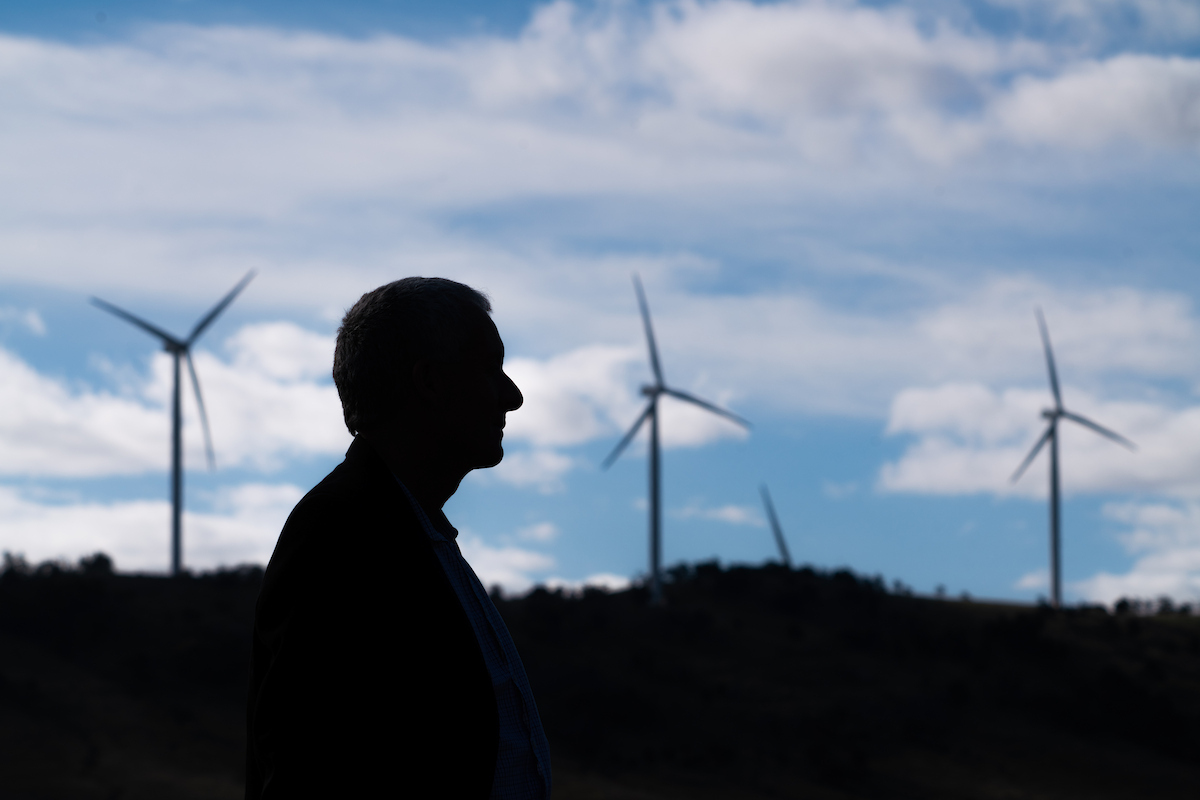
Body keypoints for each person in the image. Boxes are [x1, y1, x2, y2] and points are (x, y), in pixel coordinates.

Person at [245, 278, 551, 799]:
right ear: (429, 382)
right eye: (489, 368)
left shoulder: (410, 533)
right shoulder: (339, 536)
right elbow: (305, 765)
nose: (513, 396)